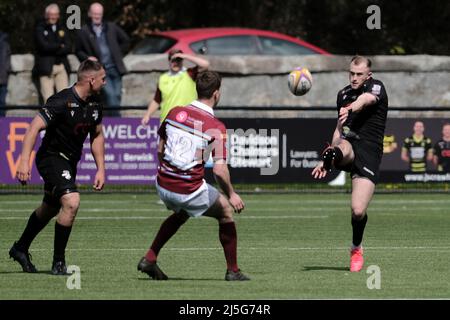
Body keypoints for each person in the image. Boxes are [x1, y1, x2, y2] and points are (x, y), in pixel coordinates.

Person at [137, 71, 249, 281]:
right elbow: (219, 170)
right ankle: (233, 271)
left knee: (182, 213)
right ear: (216, 94)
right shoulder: (216, 126)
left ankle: (150, 259)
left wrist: (172, 173)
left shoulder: (174, 112)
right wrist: (232, 194)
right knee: (225, 211)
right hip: (186, 189)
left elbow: (160, 150)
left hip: (162, 184)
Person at [9, 59, 106, 275]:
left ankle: (20, 248)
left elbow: (97, 134)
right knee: (71, 202)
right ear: (91, 80)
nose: (105, 82)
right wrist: (23, 161)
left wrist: (101, 168)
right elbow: (34, 128)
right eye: (103, 78)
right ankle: (59, 262)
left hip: (69, 162)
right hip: (51, 158)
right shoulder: (61, 101)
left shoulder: (95, 103)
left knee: (50, 208)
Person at [311, 55, 388, 272]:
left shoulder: (376, 87)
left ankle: (356, 247)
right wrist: (329, 154)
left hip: (369, 153)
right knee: (340, 146)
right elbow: (338, 128)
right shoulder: (343, 94)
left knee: (357, 211)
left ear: (368, 75)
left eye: (359, 74)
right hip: (349, 145)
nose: (354, 78)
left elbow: (366, 100)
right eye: (351, 73)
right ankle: (331, 157)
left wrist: (351, 107)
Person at [75, 2, 130, 112]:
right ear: (90, 14)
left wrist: (117, 53)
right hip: (100, 70)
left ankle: (110, 120)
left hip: (115, 68)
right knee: (111, 96)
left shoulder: (111, 27)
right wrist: (87, 58)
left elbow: (126, 40)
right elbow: (77, 50)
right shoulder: (84, 31)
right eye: (95, 14)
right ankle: (117, 123)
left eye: (99, 14)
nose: (97, 16)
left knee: (117, 95)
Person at [141, 49, 210, 125]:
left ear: (182, 61)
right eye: (173, 60)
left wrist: (184, 56)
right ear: (169, 61)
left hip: (187, 121)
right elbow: (157, 100)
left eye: (178, 60)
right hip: (167, 120)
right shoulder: (163, 78)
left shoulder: (189, 73)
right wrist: (147, 115)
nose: (176, 63)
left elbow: (205, 64)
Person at [33, 4, 71, 104]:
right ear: (46, 15)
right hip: (46, 68)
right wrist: (59, 46)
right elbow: (43, 47)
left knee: (65, 99)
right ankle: (50, 120)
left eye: (55, 14)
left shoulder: (62, 27)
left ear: (58, 15)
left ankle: (64, 119)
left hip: (61, 66)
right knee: (48, 100)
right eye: (50, 14)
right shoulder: (39, 28)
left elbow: (68, 46)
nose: (53, 17)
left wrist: (52, 47)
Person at [0, 31, 11, 115]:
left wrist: (6, 70)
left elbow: (7, 59)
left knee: (2, 102)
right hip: (3, 76)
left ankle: (2, 122)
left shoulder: (5, 42)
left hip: (2, 77)